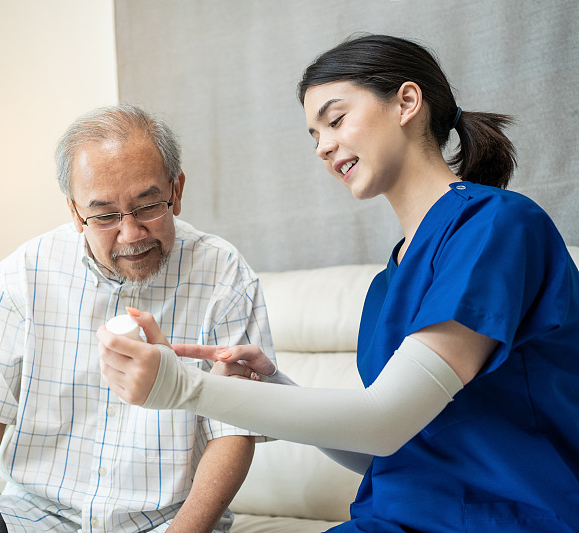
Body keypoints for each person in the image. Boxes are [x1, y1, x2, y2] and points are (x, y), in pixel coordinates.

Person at [97, 35, 579, 532]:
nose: (324, 146)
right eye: (314, 135)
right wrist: (275, 386)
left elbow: (384, 421)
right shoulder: (386, 285)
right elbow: (383, 451)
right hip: (398, 517)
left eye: (335, 119)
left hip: (510, 517)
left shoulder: (497, 229)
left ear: (407, 103)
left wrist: (182, 387)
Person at [0, 104, 275, 533]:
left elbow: (234, 434)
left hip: (166, 522)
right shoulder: (24, 274)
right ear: (76, 213)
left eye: (148, 206)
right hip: (36, 516)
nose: (131, 233)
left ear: (177, 189)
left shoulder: (225, 275)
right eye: (105, 215)